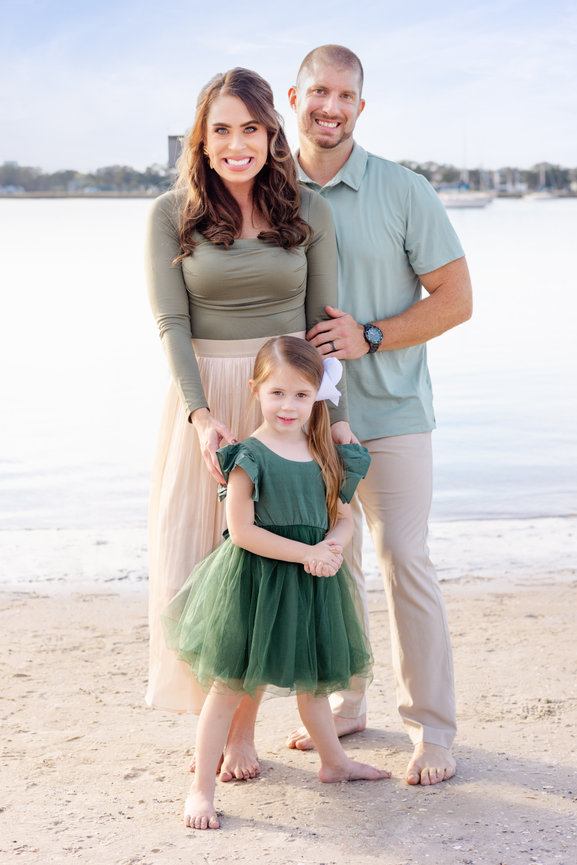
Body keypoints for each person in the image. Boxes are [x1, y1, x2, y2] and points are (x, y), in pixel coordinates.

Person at [145, 68, 352, 782]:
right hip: (207, 400)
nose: (238, 144)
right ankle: (226, 728)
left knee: (271, 562)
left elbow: (323, 328)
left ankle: (246, 729)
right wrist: (201, 415)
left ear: (271, 135)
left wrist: (337, 421)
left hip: (288, 400)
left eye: (252, 129)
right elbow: (171, 324)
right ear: (202, 140)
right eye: (222, 130)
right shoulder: (169, 214)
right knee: (207, 562)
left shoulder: (309, 210)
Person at [283, 45, 473, 786]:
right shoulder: (270, 187)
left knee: (404, 559)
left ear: (360, 106)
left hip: (392, 411)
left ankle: (432, 728)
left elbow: (456, 300)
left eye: (344, 96)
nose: (330, 108)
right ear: (294, 97)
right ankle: (348, 700)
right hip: (304, 419)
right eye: (318, 92)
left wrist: (370, 334)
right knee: (332, 560)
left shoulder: (403, 189)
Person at [161, 336, 391, 829]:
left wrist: (331, 547)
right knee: (228, 688)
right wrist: (308, 552)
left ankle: (334, 763)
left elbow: (343, 517)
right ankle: (201, 790)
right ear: (256, 391)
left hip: (310, 582)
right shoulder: (248, 456)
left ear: (317, 397)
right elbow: (242, 531)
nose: (289, 405)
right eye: (277, 393)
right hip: (255, 584)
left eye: (301, 395)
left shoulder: (326, 454)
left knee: (314, 684)